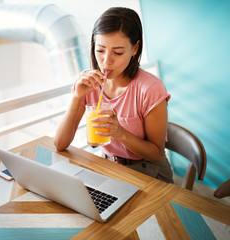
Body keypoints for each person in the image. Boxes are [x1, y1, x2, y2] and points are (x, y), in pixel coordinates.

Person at [54, 7, 173, 183]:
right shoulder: (88, 83)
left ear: (135, 48)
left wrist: (120, 133)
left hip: (148, 172)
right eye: (100, 50)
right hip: (108, 166)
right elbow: (60, 144)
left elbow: (156, 154)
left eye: (117, 53)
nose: (106, 61)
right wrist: (77, 97)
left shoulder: (150, 89)